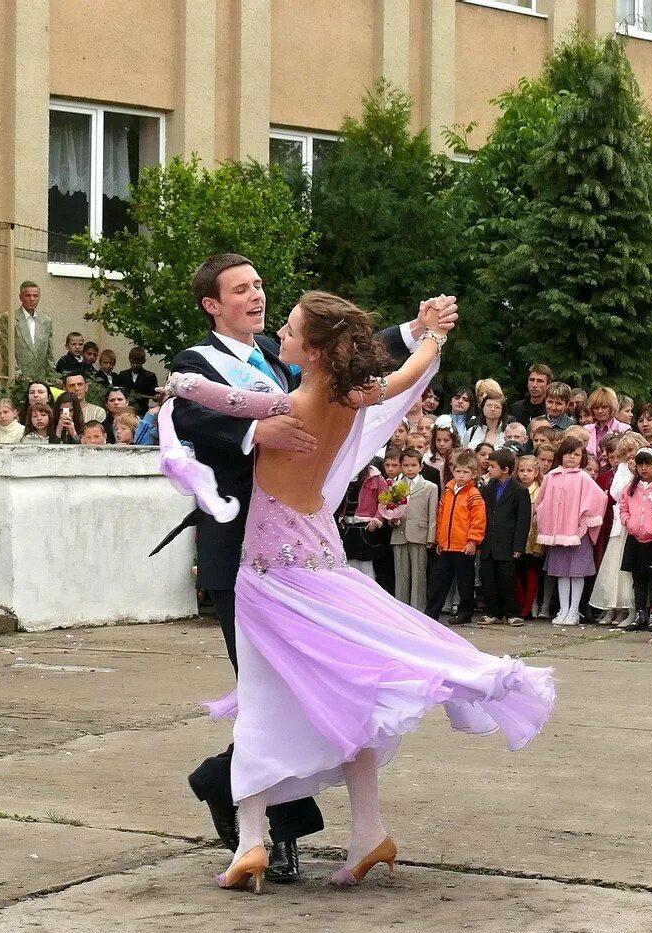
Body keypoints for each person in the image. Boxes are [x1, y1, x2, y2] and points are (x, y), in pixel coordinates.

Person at [159, 291, 552, 895]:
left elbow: (211, 396)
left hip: (271, 574)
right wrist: (433, 338)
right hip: (322, 559)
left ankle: (251, 841)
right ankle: (367, 831)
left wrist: (180, 383)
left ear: (313, 350)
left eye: (289, 332)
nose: (280, 338)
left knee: (264, 704)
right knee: (348, 698)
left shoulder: (285, 402)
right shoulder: (354, 394)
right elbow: (408, 373)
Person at [535, 436, 606, 626]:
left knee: (577, 573)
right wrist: (546, 520)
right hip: (558, 534)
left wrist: (584, 522)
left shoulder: (583, 477)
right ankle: (563, 609)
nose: (572, 458)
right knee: (561, 573)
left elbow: (599, 498)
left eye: (576, 454)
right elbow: (540, 502)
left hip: (577, 534)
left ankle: (574, 610)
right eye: (568, 453)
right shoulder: (551, 476)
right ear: (561, 455)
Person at [425, 448, 487, 626]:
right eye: (458, 471)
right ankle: (432, 612)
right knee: (439, 580)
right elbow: (441, 515)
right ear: (453, 471)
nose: (461, 475)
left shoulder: (473, 495)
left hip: (463, 546)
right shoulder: (448, 491)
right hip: (446, 545)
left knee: (465, 582)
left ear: (473, 473)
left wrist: (473, 541)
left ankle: (465, 611)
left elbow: (478, 520)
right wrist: (440, 539)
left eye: (465, 472)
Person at [590, 432, 643, 627]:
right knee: (614, 567)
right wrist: (629, 474)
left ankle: (631, 609)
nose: (629, 455)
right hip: (621, 524)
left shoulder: (645, 466)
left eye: (632, 450)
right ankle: (613, 607)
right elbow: (616, 493)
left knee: (630, 569)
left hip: (639, 523)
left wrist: (636, 473)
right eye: (626, 451)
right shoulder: (622, 468)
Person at [620, 449, 652, 632]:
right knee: (638, 578)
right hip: (635, 539)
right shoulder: (631, 487)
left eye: (648, 464)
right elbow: (623, 507)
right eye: (640, 464)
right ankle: (640, 614)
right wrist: (628, 522)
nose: (644, 468)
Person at [478, 449, 531, 627]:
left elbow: (523, 521)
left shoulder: (519, 491)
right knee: (488, 578)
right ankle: (493, 612)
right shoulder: (487, 489)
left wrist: (518, 546)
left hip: (507, 544)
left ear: (505, 469)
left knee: (507, 579)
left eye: (493, 467)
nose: (489, 470)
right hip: (488, 542)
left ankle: (512, 612)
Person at [390, 447, 439, 612]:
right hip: (399, 533)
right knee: (400, 574)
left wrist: (431, 537)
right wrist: (392, 520)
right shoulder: (396, 486)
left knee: (419, 575)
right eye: (406, 465)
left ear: (420, 466)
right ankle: (401, 609)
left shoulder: (430, 487)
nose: (409, 469)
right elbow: (390, 509)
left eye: (413, 465)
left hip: (420, 533)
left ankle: (418, 609)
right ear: (401, 466)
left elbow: (433, 513)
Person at [0, 281, 54, 383]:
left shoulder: (46, 320)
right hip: (16, 381)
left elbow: (49, 353)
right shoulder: (9, 318)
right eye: (28, 295)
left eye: (35, 296)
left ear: (39, 297)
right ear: (21, 297)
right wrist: (18, 375)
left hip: (40, 381)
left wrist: (52, 376)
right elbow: (6, 350)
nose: (32, 299)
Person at [513, 454, 544, 620]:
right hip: (518, 538)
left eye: (529, 470)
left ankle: (528, 608)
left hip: (534, 537)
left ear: (536, 471)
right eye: (521, 470)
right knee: (517, 572)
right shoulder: (516, 490)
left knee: (532, 572)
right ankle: (520, 604)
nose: (525, 474)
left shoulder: (540, 491)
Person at [116, 346, 160, 411]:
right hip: (124, 411)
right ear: (129, 360)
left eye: (138, 363)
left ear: (144, 361)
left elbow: (154, 395)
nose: (135, 365)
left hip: (142, 412)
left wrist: (157, 396)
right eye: (132, 362)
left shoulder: (150, 376)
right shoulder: (123, 375)